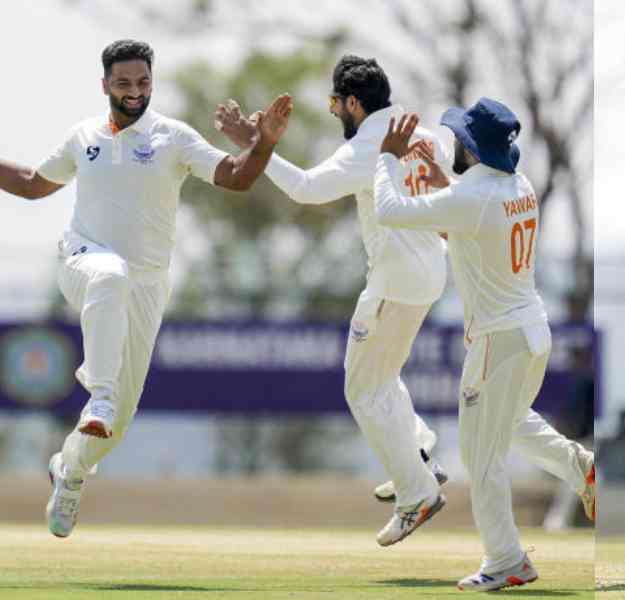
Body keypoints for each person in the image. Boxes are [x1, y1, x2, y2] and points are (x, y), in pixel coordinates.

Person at [0, 39, 291, 538]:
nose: (134, 92)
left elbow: (238, 178)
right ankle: (101, 395)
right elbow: (32, 184)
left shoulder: (174, 137)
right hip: (82, 260)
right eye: (123, 83)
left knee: (115, 429)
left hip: (148, 284)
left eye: (142, 82)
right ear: (105, 85)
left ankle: (70, 471)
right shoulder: (83, 135)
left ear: (151, 82)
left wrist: (262, 142)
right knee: (108, 276)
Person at [215, 55, 452, 547]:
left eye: (334, 104)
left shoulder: (369, 146)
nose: (334, 114)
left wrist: (258, 145)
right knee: (383, 376)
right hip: (431, 274)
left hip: (394, 281)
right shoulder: (425, 133)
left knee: (361, 390)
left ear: (352, 103)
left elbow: (304, 189)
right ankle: (420, 450)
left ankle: (417, 491)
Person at [373, 99, 595, 591]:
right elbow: (473, 229)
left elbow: (389, 211)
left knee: (480, 457)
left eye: (458, 136)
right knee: (510, 425)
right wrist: (441, 184)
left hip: (498, 339)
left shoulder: (471, 196)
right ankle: (581, 469)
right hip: (533, 331)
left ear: (470, 148)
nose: (451, 141)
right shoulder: (520, 186)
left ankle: (507, 559)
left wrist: (386, 157)